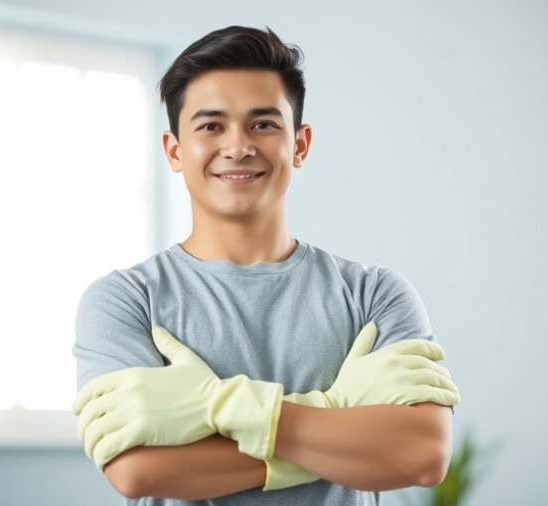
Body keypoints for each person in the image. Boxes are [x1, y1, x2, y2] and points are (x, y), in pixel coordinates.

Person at [71, 25, 461, 505]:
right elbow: (138, 470)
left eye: (263, 124)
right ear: (175, 150)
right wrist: (337, 415)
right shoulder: (125, 301)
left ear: (300, 144)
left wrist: (216, 406)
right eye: (211, 126)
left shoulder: (375, 295)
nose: (238, 147)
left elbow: (419, 454)